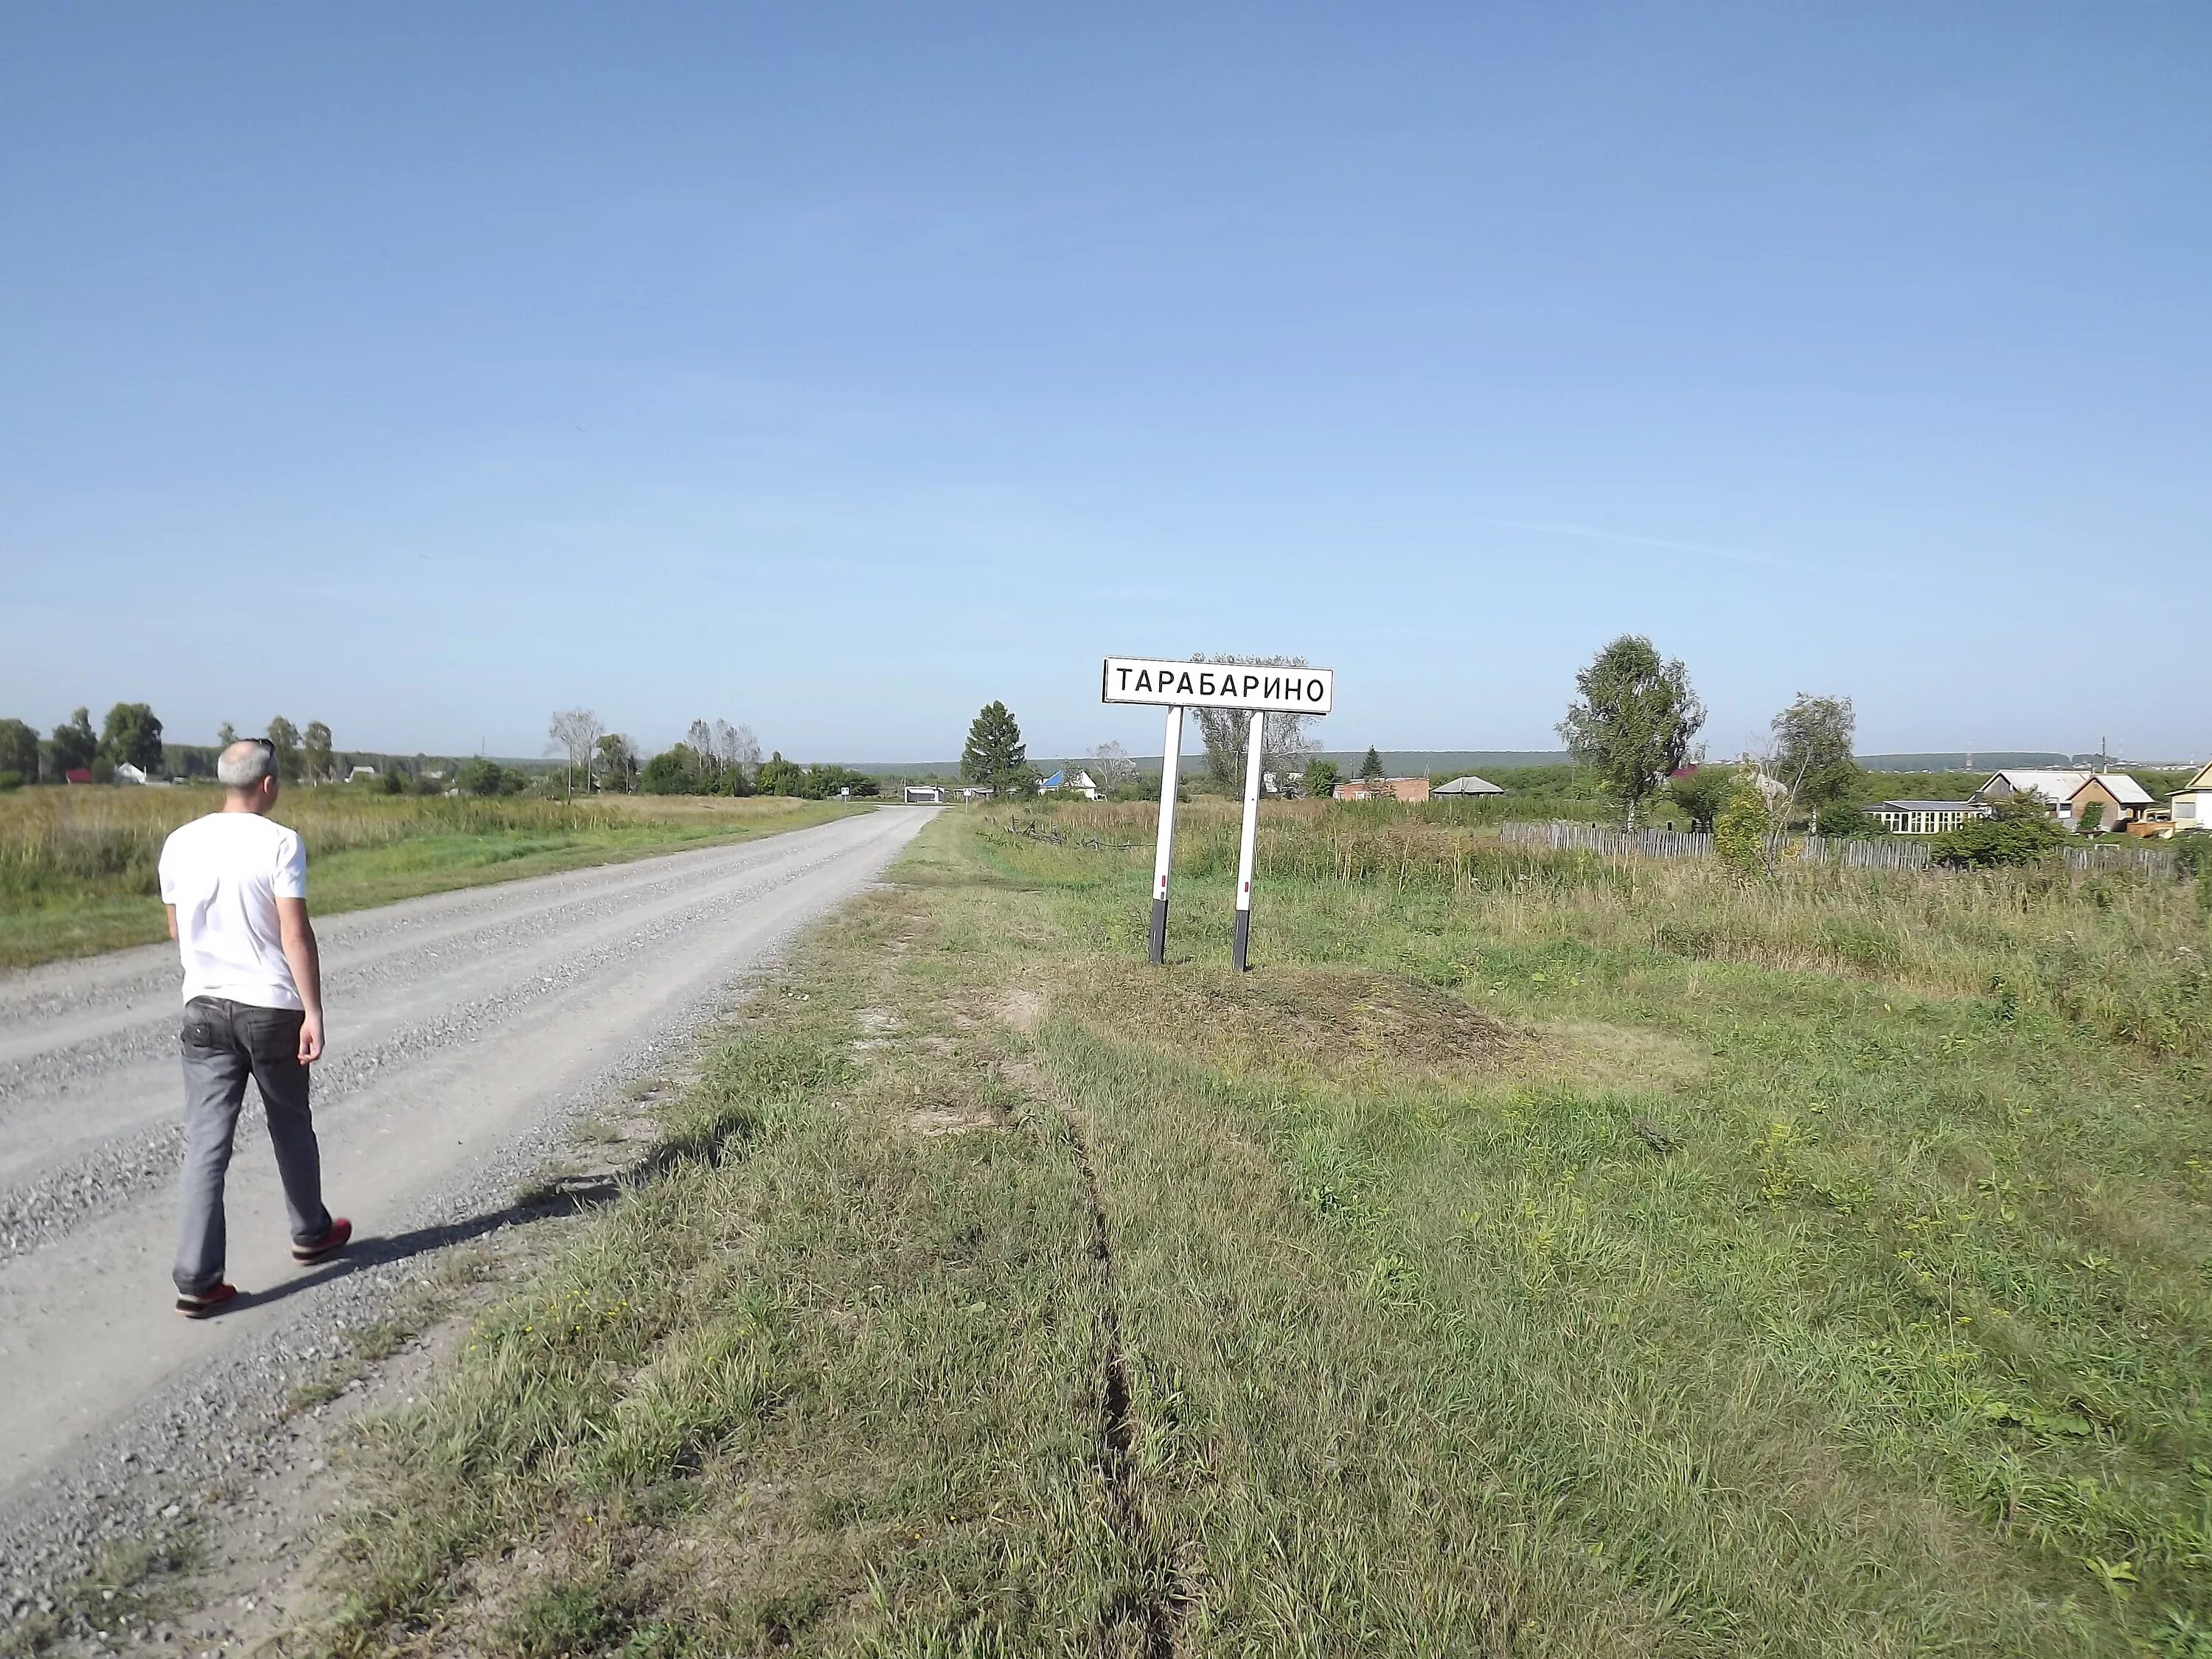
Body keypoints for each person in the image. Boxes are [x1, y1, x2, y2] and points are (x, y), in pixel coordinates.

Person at [159, 738, 349, 1317]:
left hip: (204, 1009)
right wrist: (313, 1010)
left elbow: (175, 931)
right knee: (290, 1123)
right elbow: (295, 932)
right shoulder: (280, 842)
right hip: (270, 1007)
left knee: (206, 1145)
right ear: (267, 784)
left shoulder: (180, 842)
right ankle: (311, 1230)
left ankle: (197, 1277)